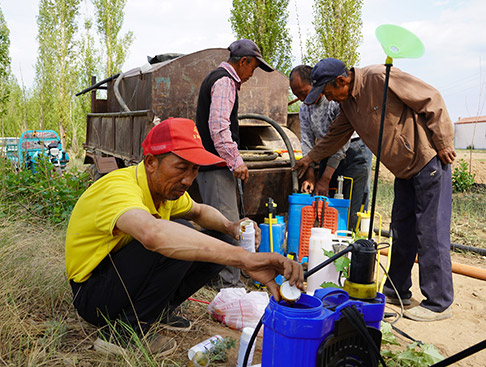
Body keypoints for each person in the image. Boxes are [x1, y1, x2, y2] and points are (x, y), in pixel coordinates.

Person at [65, 117, 304, 357]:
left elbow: (199, 211)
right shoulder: (118, 188)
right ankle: (123, 334)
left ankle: (158, 310)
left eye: (195, 169)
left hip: (116, 282)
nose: (189, 180)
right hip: (92, 296)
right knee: (177, 234)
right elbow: (153, 235)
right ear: (151, 162)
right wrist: (244, 259)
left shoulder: (163, 188)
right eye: (181, 168)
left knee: (221, 239)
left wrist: (231, 226)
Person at [295, 58, 456, 322]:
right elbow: (335, 136)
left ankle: (438, 302)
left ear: (342, 81)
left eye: (328, 92)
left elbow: (431, 97)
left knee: (430, 230)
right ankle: (398, 290)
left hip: (428, 161)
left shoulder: (380, 77)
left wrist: (443, 140)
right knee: (401, 231)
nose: (329, 98)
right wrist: (309, 158)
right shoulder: (347, 104)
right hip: (404, 170)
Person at [195, 39, 274, 288]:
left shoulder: (217, 78)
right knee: (229, 225)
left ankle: (211, 277)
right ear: (243, 62)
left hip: (210, 165)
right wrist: (235, 160)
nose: (252, 74)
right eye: (253, 68)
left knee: (216, 225)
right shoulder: (225, 81)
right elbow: (219, 127)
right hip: (216, 166)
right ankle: (229, 283)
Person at [289, 65, 372, 230]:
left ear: (315, 84)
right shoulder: (304, 108)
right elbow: (307, 141)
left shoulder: (334, 100)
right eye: (297, 94)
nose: (302, 98)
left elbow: (341, 140)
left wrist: (325, 179)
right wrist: (311, 176)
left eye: (304, 92)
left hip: (354, 150)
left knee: (351, 208)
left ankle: (351, 245)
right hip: (326, 151)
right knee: (328, 203)